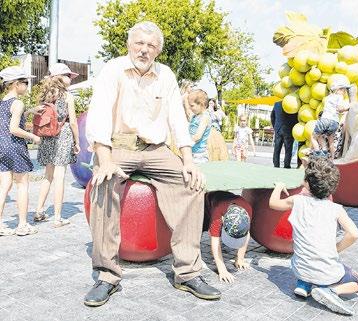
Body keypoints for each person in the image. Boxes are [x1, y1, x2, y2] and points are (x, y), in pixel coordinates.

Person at [84, 21, 220, 307]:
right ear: (129, 44)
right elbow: (98, 115)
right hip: (119, 145)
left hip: (156, 149)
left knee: (192, 184)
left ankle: (188, 272)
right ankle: (107, 274)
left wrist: (188, 160)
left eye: (151, 45)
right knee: (103, 182)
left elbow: (177, 120)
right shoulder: (112, 70)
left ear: (158, 50)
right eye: (139, 44)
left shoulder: (166, 75)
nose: (144, 50)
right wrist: (104, 159)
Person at [269, 156, 358, 316]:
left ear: (306, 182)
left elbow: (273, 203)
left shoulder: (297, 201)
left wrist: (279, 186)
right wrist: (336, 249)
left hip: (300, 269)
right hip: (327, 274)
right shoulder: (336, 209)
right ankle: (332, 291)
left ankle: (304, 286)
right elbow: (354, 234)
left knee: (307, 259)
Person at [34, 63, 80, 227]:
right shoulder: (68, 96)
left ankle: (39, 211)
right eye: (68, 76)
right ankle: (57, 217)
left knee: (48, 176)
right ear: (60, 77)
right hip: (63, 135)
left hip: (47, 136)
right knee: (60, 176)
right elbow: (73, 122)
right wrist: (77, 142)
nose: (70, 79)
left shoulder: (45, 94)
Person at [0, 66, 41, 236]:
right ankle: (23, 225)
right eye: (25, 82)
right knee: (22, 184)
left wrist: (30, 111)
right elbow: (14, 128)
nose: (27, 85)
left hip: (2, 147)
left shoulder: (3, 103)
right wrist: (33, 137)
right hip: (15, 147)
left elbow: (8, 119)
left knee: (4, 186)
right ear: (16, 84)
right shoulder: (18, 103)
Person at [204, 191, 252, 283]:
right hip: (207, 202)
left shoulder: (247, 209)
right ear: (223, 220)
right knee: (199, 230)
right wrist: (222, 270)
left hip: (229, 201)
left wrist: (240, 259)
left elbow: (246, 232)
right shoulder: (217, 215)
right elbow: (215, 240)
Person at [311, 78, 355, 158]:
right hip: (334, 123)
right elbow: (340, 109)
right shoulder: (339, 97)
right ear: (337, 90)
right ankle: (333, 159)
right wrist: (349, 108)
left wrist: (345, 108)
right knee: (331, 142)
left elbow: (338, 108)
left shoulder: (329, 98)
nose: (344, 92)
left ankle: (318, 153)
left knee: (314, 137)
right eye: (342, 89)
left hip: (325, 120)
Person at [271, 101, 297, 168]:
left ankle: (276, 164)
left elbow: (272, 116)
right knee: (288, 149)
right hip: (289, 129)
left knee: (277, 148)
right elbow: (296, 118)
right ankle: (287, 165)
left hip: (278, 129)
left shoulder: (277, 104)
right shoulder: (293, 103)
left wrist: (275, 127)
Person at [188, 89, 211, 163]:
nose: (190, 108)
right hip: (192, 152)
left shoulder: (205, 117)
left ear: (201, 104)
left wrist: (185, 142)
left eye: (192, 106)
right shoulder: (195, 116)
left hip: (199, 155)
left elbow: (198, 136)